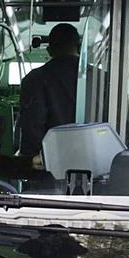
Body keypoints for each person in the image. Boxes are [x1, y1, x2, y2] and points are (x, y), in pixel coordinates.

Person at [17, 23, 81, 164]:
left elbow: (32, 123)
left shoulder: (35, 78)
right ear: (79, 46)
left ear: (49, 49)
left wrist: (29, 161)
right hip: (93, 160)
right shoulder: (99, 78)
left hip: (48, 164)